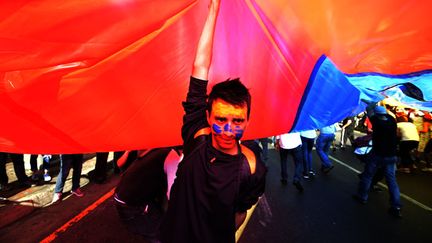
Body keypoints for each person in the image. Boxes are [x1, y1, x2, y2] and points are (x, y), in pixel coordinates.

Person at [160, 1, 266, 242]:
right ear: (207, 117)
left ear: (248, 121)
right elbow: (200, 66)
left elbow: (240, 213)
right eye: (220, 119)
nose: (228, 130)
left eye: (237, 121)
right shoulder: (197, 136)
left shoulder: (251, 169)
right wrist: (214, 9)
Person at [115, 147, 182, 242]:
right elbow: (173, 194)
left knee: (161, 222)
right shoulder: (172, 155)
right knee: (160, 234)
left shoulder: (156, 149)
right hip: (132, 205)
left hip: (123, 197)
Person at [353, 102, 402, 218]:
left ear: (376, 114)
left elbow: (369, 109)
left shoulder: (377, 122)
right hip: (391, 155)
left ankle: (362, 197)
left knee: (368, 175)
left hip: (378, 154)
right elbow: (384, 113)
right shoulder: (392, 121)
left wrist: (373, 98)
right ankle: (396, 206)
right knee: (392, 180)